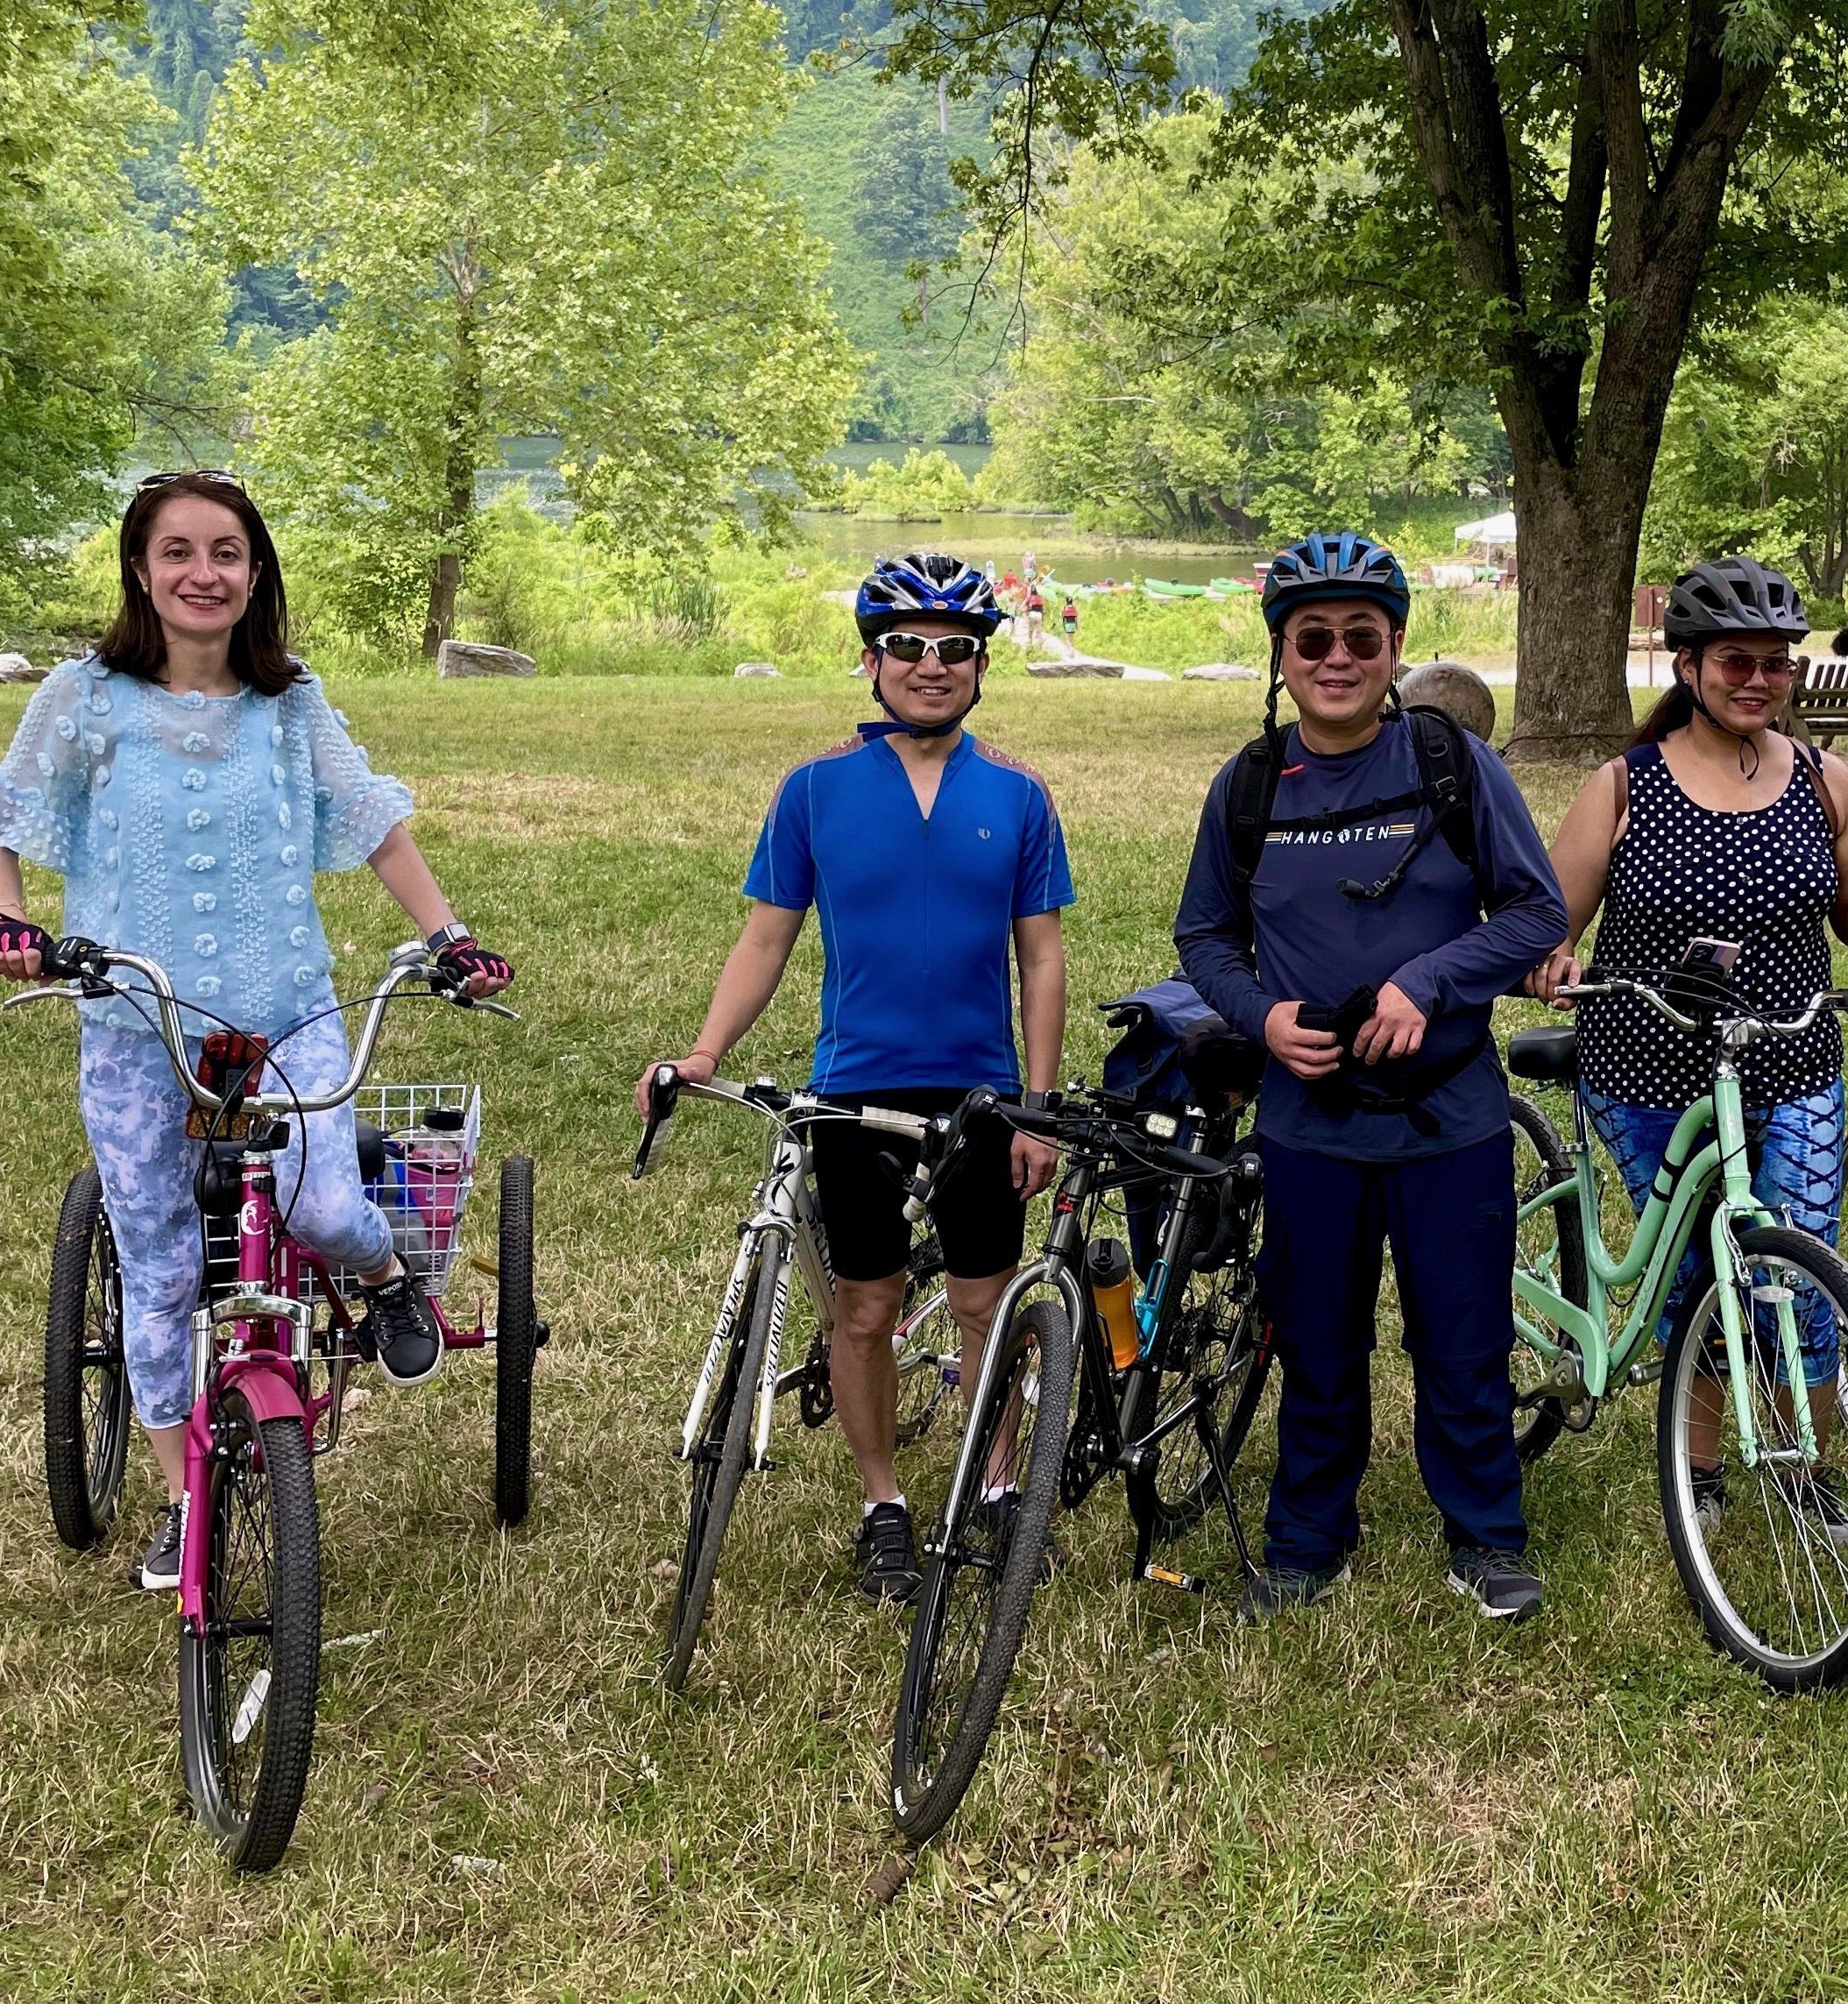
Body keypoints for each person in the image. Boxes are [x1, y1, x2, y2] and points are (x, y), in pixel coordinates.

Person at [0, 471, 511, 1593]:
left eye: (226, 553)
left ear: (256, 575)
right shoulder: (83, 697)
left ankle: (390, 1273)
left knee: (320, 1203)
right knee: (160, 1270)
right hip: (136, 1025)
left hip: (285, 1011)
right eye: (178, 552)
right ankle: (182, 1498)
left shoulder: (288, 701)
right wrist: (6, 927)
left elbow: (373, 824)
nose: (202, 573)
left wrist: (450, 935)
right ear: (141, 569)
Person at [638, 551, 1070, 1606]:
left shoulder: (1016, 794)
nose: (932, 666)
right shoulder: (816, 791)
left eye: (956, 650)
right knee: (867, 1309)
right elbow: (765, 940)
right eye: (910, 648)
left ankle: (1001, 1480)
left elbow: (1043, 958)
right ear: (872, 660)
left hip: (979, 1093)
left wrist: (1039, 1106)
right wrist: (706, 1053)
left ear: (979, 666)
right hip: (855, 1088)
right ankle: (884, 1505)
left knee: (983, 1304)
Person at [1174, 529, 1569, 1624]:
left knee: (1463, 1335)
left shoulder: (1451, 762)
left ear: (1395, 647)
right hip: (1309, 1119)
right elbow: (1203, 934)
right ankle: (1308, 1538)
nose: (1337, 656)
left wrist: (1428, 981)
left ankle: (1485, 1535)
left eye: (1362, 636)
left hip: (1450, 1115)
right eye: (1314, 639)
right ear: (1282, 655)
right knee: (1315, 1338)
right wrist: (1263, 1017)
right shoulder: (1250, 785)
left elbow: (1538, 910)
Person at [1523, 556, 1848, 1526]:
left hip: (1789, 1062)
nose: (1758, 680)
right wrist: (1554, 954)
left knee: (1802, 1269)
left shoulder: (1828, 780)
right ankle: (1699, 1462)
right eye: (1735, 661)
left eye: (1777, 664)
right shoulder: (1625, 785)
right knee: (1696, 1280)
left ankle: (1803, 1467)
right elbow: (1549, 919)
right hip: (1646, 1067)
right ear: (1690, 666)